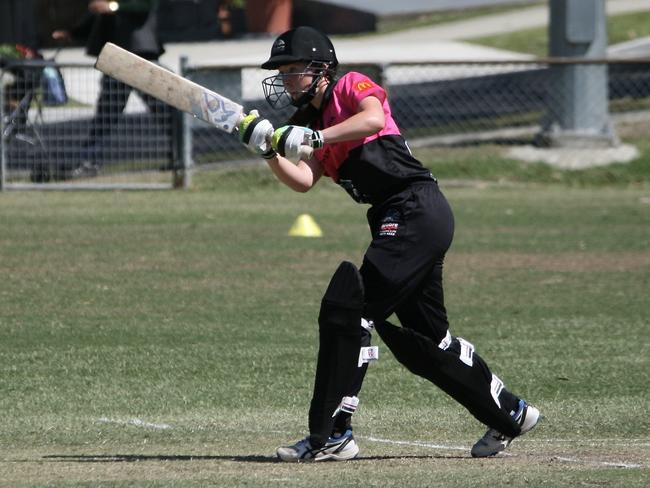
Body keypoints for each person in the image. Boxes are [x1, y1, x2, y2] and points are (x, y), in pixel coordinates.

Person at [239, 26, 541, 462]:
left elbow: (374, 119)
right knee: (426, 344)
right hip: (399, 217)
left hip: (416, 207)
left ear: (321, 69)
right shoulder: (309, 124)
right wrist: (269, 151)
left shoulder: (349, 86)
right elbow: (305, 181)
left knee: (351, 311)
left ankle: (334, 434)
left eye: (293, 70)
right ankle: (511, 413)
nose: (286, 79)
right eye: (281, 72)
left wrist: (316, 138)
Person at [53, 0, 168, 175]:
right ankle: (89, 161)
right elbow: (101, 16)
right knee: (106, 114)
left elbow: (146, 5)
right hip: (117, 56)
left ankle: (181, 155)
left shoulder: (115, 5)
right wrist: (73, 33)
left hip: (140, 51)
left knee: (163, 111)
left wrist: (113, 7)